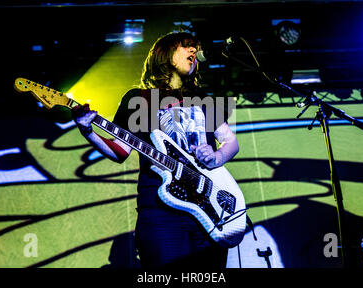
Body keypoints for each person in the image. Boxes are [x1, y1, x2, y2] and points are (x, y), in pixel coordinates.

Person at [72, 32, 240, 268]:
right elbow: (120, 151)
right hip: (162, 214)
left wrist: (216, 156)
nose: (194, 52)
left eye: (196, 48)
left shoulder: (203, 98)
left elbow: (231, 143)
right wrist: (88, 131)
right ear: (166, 54)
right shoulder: (138, 100)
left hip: (208, 212)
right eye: (186, 47)